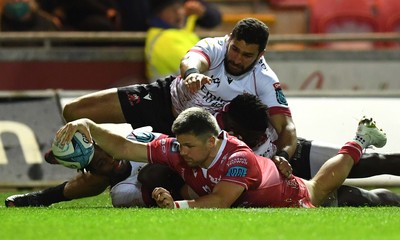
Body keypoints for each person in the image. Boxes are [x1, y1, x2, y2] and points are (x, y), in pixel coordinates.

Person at [62, 18, 298, 170]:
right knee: (73, 111)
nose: (237, 58)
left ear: (261, 54)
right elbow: (191, 60)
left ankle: (96, 162)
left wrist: (284, 156)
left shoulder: (265, 79)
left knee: (141, 177)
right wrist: (193, 73)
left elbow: (286, 127)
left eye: (247, 55)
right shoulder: (215, 47)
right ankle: (89, 152)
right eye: (235, 49)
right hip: (163, 100)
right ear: (229, 40)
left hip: (188, 136)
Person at [49, 107, 387, 208]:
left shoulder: (238, 158)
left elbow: (220, 202)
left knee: (319, 189)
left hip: (292, 194)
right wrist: (87, 123)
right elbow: (123, 147)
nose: (181, 153)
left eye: (189, 147)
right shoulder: (183, 150)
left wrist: (177, 206)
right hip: (251, 196)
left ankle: (358, 141)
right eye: (179, 145)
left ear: (211, 142)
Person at [145, 0, 200, 82]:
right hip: (172, 93)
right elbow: (199, 69)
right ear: (159, 14)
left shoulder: (181, 33)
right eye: (173, 9)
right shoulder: (164, 39)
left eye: (180, 7)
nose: (179, 12)